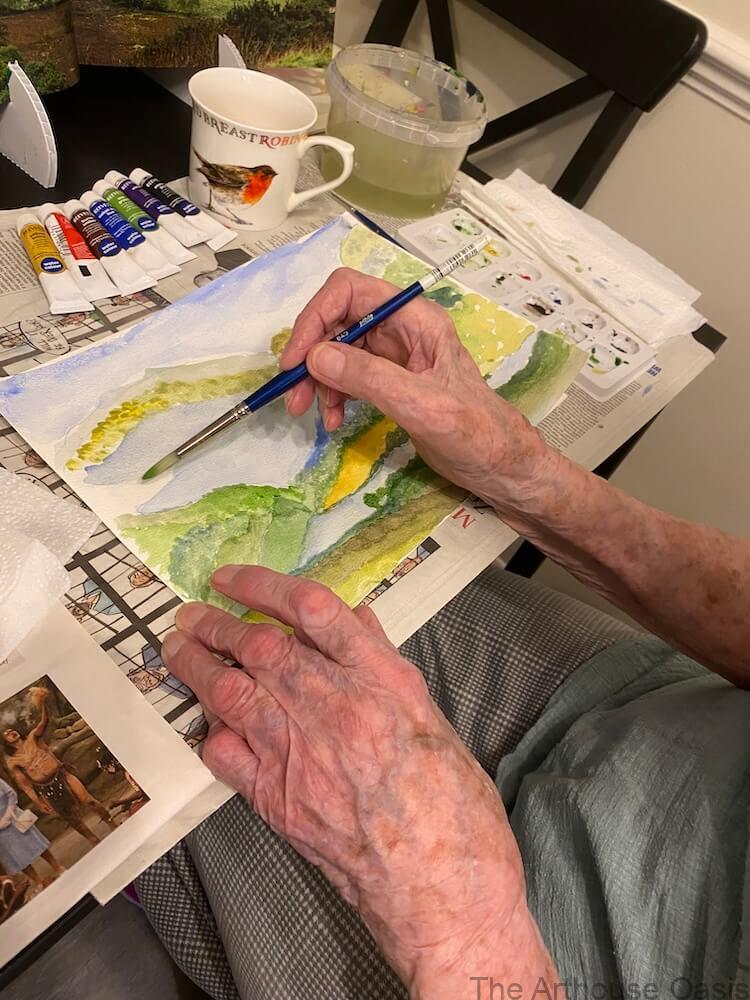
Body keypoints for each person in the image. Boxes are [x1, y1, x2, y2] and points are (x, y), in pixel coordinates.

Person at [139, 270, 750, 1000]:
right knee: (263, 629)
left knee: (155, 721)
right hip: (648, 724)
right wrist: (527, 475)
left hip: (527, 962)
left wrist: (456, 923)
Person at [2, 687, 117, 848]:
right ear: (6, 742)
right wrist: (38, 801)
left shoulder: (33, 737)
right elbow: (25, 786)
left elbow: (44, 722)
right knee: (71, 818)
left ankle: (111, 822)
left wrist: (42, 703)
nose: (10, 732)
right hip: (46, 789)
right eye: (6, 733)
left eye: (11, 730)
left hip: (61, 774)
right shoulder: (13, 761)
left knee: (89, 801)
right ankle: (93, 840)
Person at [0, 776, 65, 894]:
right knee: (18, 857)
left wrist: (7, 815)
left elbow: (11, 794)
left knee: (35, 844)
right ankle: (38, 881)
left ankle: (57, 866)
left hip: (14, 817)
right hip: (1, 832)